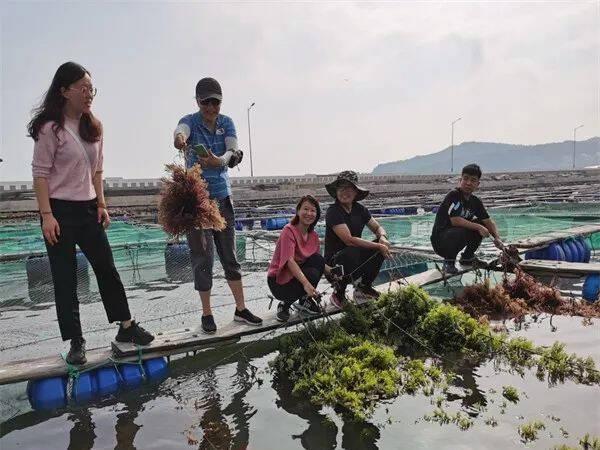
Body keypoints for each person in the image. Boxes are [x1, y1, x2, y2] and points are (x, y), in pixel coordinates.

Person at [28, 62, 154, 365]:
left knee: (107, 269)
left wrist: (101, 204)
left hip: (87, 208)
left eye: (91, 89)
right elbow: (40, 175)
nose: (89, 94)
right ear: (64, 91)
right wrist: (47, 215)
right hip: (58, 210)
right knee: (65, 277)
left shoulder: (94, 127)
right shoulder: (50, 128)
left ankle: (126, 327)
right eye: (83, 88)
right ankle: (76, 340)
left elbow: (98, 170)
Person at [173, 77, 261, 334]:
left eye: (216, 102)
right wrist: (180, 139)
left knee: (230, 256)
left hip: (222, 198)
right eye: (206, 102)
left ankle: (241, 308)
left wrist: (219, 161)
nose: (211, 107)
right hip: (197, 202)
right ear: (198, 102)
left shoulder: (227, 123)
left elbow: (232, 152)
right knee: (202, 258)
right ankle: (207, 314)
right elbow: (180, 131)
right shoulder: (190, 120)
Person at [324, 171, 392, 307]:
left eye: (349, 188)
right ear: (336, 192)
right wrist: (378, 246)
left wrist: (383, 238)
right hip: (334, 265)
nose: (345, 192)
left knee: (377, 246)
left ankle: (364, 287)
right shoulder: (333, 211)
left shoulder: (360, 209)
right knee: (352, 251)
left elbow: (378, 227)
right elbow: (349, 240)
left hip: (355, 260)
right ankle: (338, 292)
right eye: (341, 188)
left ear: (356, 192)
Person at [430, 163, 503, 274]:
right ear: (460, 180)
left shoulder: (475, 201)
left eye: (473, 180)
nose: (468, 183)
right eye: (466, 179)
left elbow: (488, 221)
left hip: (458, 238)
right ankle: (449, 263)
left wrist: (497, 238)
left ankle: (467, 258)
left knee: (481, 224)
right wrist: (479, 227)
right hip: (441, 241)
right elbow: (455, 220)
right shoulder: (454, 195)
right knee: (464, 229)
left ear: (478, 184)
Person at [267, 195, 328, 322]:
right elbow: (289, 261)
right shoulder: (288, 231)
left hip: (297, 277)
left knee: (319, 260)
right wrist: (306, 284)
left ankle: (305, 300)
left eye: (313, 211)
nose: (309, 213)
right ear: (298, 211)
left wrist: (332, 272)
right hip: (279, 281)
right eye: (306, 209)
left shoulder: (314, 236)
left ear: (317, 215)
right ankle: (285, 304)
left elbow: (316, 262)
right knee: (310, 270)